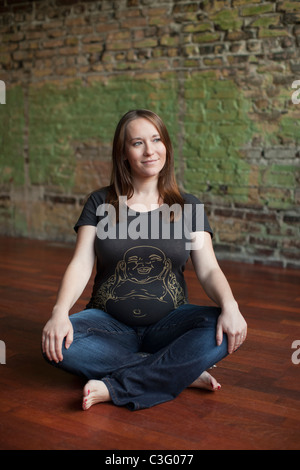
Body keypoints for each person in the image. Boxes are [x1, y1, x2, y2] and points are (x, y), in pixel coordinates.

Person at [42, 109, 247, 411]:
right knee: (56, 345)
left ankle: (117, 386)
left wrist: (232, 306)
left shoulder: (188, 206)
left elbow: (209, 269)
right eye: (137, 143)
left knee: (221, 326)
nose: (150, 150)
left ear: (166, 146)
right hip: (108, 325)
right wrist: (60, 312)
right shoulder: (101, 202)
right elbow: (81, 264)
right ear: (123, 153)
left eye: (156, 140)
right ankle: (178, 370)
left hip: (170, 324)